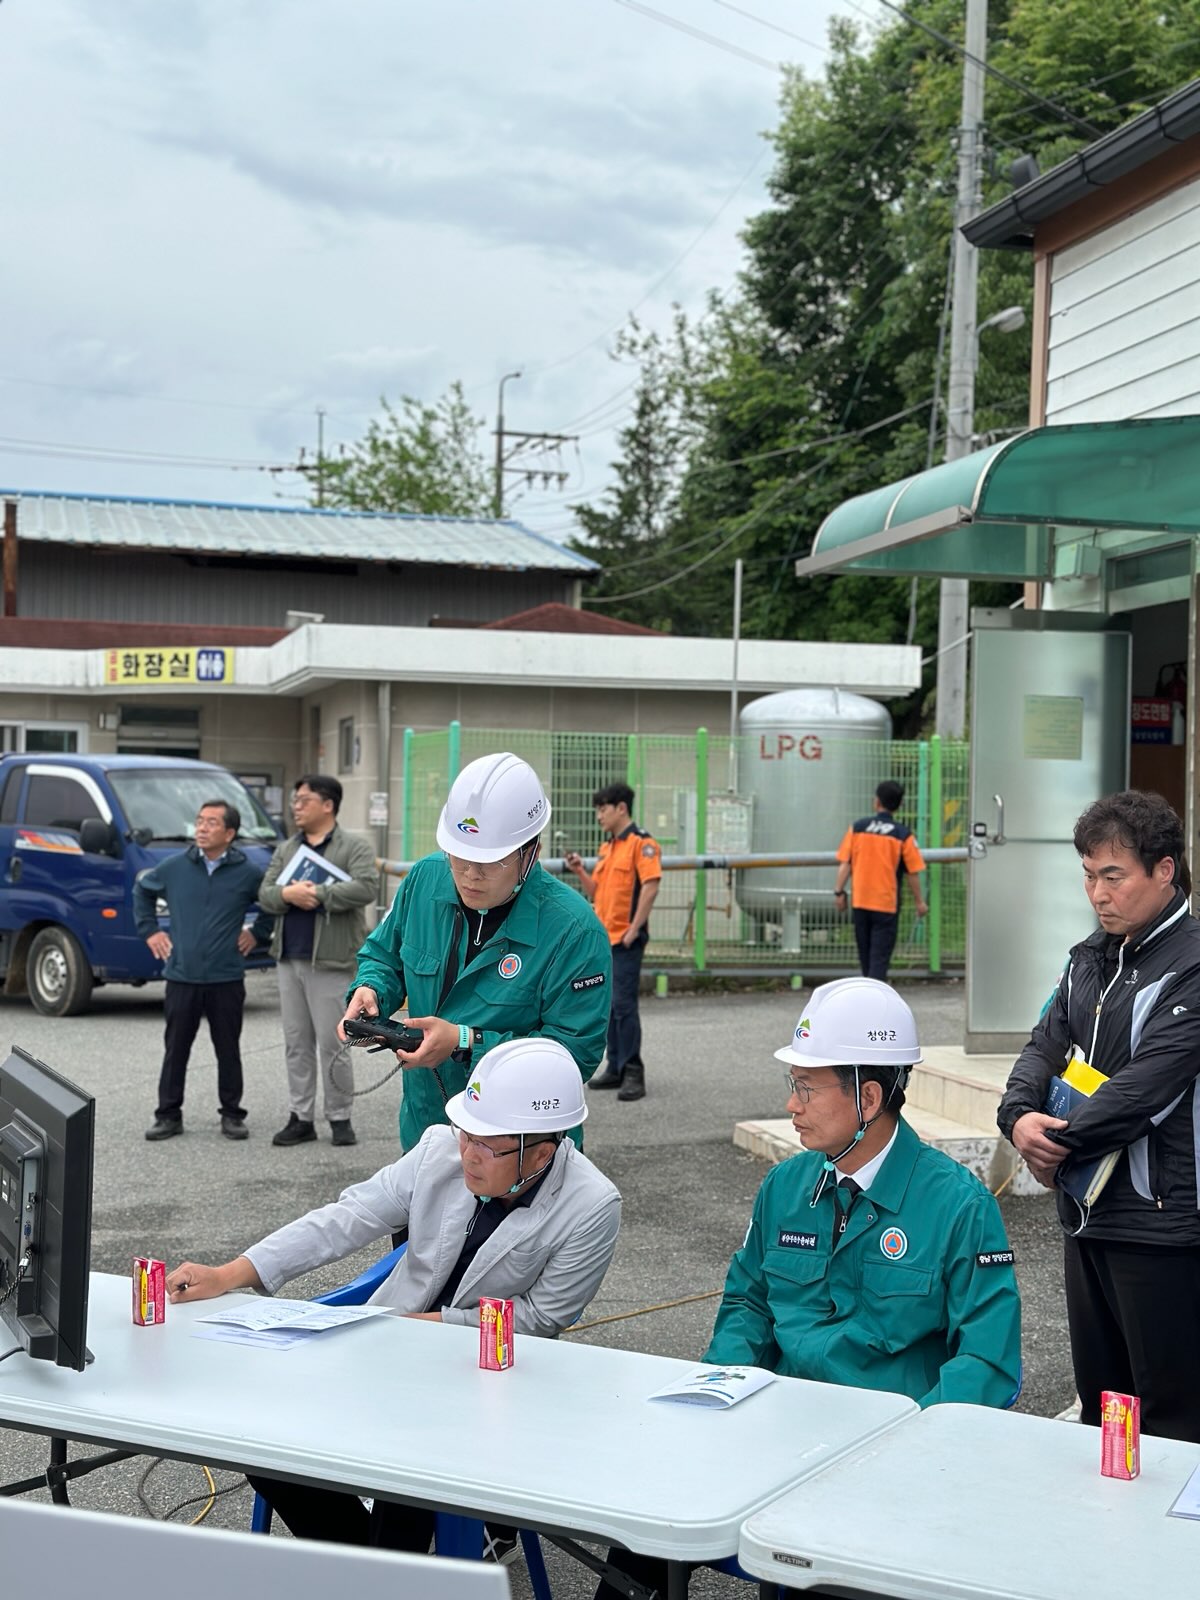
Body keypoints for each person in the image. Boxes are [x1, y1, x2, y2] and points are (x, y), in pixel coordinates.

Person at [595, 976, 1021, 1600]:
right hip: (777, 1439)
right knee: (641, 1525)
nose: (792, 1104)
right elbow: (748, 1302)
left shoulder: (958, 1205)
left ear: (869, 1096)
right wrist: (721, 1391)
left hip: (889, 1460)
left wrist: (910, 1447)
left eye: (806, 1087)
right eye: (792, 1084)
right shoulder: (786, 1187)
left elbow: (986, 1361)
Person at [166, 1038, 621, 1553]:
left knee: (414, 1469)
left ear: (542, 1152)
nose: (467, 1154)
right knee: (263, 1440)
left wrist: (415, 1328)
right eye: (465, 1133)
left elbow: (540, 1320)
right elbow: (347, 1218)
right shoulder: (437, 1149)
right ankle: (378, 1567)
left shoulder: (591, 1206)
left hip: (488, 1378)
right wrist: (232, 1273)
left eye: (486, 1146)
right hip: (388, 1352)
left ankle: (396, 1563)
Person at [998, 789, 1200, 1444]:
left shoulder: (1192, 964)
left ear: (1164, 870)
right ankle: (1110, 1534)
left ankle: (1170, 1546)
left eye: (1113, 876)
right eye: (1088, 875)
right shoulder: (1090, 957)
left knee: (1171, 1419)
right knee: (1107, 1410)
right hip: (1087, 1217)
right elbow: (1043, 1044)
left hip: (1162, 1230)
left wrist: (1055, 1138)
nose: (1097, 893)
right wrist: (1018, 1116)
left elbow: (1145, 1089)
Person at [341, 751, 612, 1153]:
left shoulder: (573, 930)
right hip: (425, 1130)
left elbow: (574, 1056)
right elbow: (384, 955)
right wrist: (371, 989)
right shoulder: (426, 878)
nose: (470, 874)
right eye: (460, 856)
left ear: (530, 852)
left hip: (519, 1149)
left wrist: (467, 1041)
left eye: (491, 862)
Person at [135, 800, 272, 1142]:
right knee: (176, 1049)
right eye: (199, 821)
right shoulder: (174, 867)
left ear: (229, 833)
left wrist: (256, 933)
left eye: (211, 823)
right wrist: (151, 930)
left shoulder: (247, 872)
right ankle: (168, 1115)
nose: (201, 827)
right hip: (182, 976)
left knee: (228, 1048)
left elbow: (272, 904)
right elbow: (142, 891)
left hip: (226, 977)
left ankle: (231, 1114)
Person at [257, 774, 379, 1149]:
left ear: (328, 805)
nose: (296, 806)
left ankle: (340, 1117)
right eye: (295, 800)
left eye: (304, 799)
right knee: (296, 1042)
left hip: (331, 960)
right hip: (288, 958)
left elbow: (366, 886)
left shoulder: (354, 846)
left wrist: (321, 894)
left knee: (334, 1041)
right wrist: (288, 893)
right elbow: (265, 893)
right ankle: (301, 1116)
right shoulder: (287, 848)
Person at [565, 781, 662, 1102]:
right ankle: (616, 1066)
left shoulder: (642, 844)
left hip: (625, 939)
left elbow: (650, 885)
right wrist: (580, 871)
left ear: (621, 808)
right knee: (607, 1005)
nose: (598, 816)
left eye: (602, 809)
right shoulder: (608, 848)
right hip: (604, 939)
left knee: (623, 1005)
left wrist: (635, 928)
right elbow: (598, 894)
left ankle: (633, 1069)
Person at [834, 779, 928, 983]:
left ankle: (868, 995)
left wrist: (839, 892)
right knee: (879, 959)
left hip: (860, 902)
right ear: (900, 804)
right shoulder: (903, 834)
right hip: (886, 905)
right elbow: (913, 872)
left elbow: (846, 864)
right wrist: (919, 901)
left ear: (876, 802)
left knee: (865, 957)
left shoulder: (858, 828)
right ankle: (874, 1001)